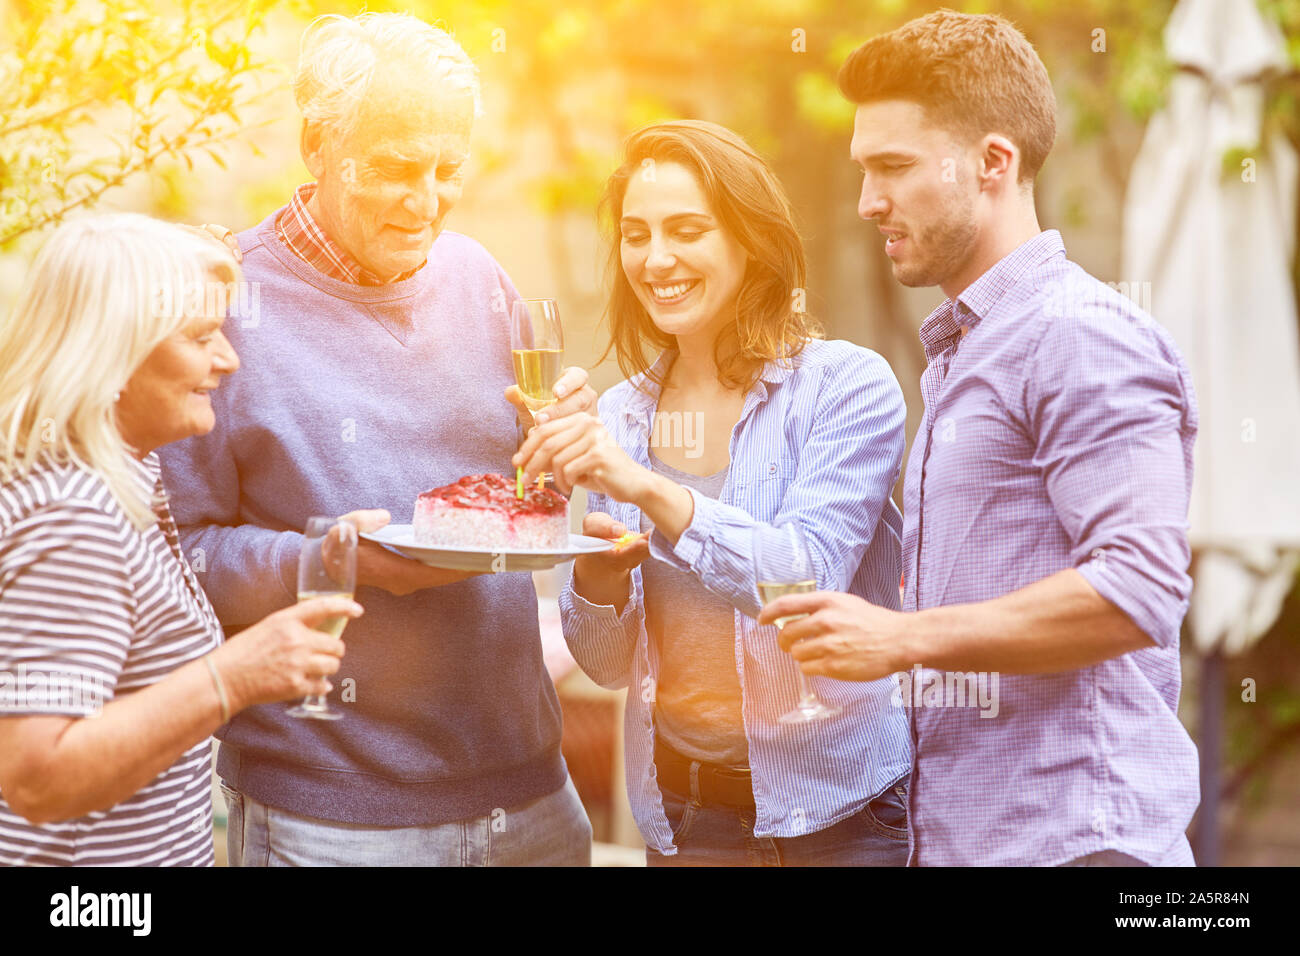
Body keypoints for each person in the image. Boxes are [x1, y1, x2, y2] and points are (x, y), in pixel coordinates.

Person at [759, 11, 1200, 866]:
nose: (866, 202)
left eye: (893, 168)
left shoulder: (1077, 336)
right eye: (863, 170)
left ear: (994, 163)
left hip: (1079, 847)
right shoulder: (965, 351)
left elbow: (1139, 585)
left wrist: (901, 639)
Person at [158, 13, 595, 866]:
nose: (425, 200)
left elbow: (524, 511)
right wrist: (330, 562)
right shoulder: (224, 308)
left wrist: (560, 454)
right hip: (332, 818)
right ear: (318, 144)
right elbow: (178, 560)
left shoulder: (480, 280)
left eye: (447, 170)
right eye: (396, 169)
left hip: (532, 799)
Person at [516, 120, 912, 866]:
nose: (655, 259)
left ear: (749, 240)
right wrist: (598, 583)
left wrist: (647, 489)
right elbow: (604, 666)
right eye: (636, 234)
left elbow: (802, 575)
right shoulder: (619, 418)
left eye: (686, 230)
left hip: (843, 822)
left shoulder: (844, 387)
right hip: (691, 824)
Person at [0, 214, 359, 866]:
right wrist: (234, 677)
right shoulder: (72, 518)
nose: (228, 358)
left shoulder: (113, 472)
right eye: (200, 336)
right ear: (113, 353)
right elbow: (34, 775)